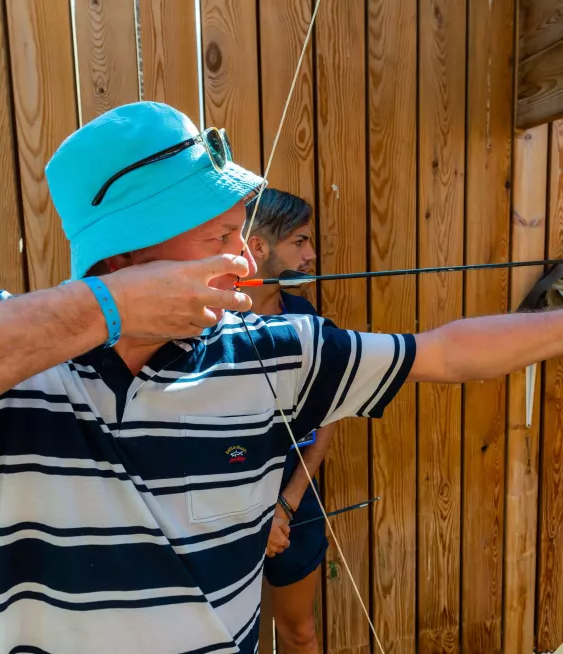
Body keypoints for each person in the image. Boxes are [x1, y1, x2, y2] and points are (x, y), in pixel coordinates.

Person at [0, 101, 563, 654]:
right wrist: (103, 311)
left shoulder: (272, 351)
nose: (248, 261)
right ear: (132, 246)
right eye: (220, 234)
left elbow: (444, 352)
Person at [241, 188, 330, 653]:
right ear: (259, 247)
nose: (311, 254)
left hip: (295, 498)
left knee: (299, 633)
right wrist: (254, 517)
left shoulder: (305, 316)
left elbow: (326, 416)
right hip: (228, 506)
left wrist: (286, 506)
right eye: (299, 241)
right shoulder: (211, 322)